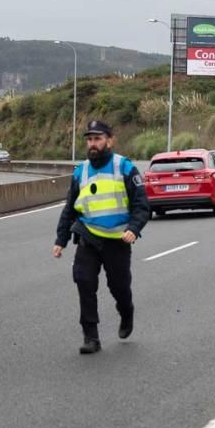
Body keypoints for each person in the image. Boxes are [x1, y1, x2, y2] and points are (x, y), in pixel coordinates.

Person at [53, 120, 150, 354]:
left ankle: (126, 312)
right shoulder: (81, 171)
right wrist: (60, 240)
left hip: (118, 240)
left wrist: (134, 229)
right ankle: (91, 337)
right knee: (84, 282)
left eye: (97, 139)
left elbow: (142, 205)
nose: (93, 144)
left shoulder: (124, 167)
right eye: (89, 140)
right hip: (88, 237)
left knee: (119, 287)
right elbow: (70, 209)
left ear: (110, 140)